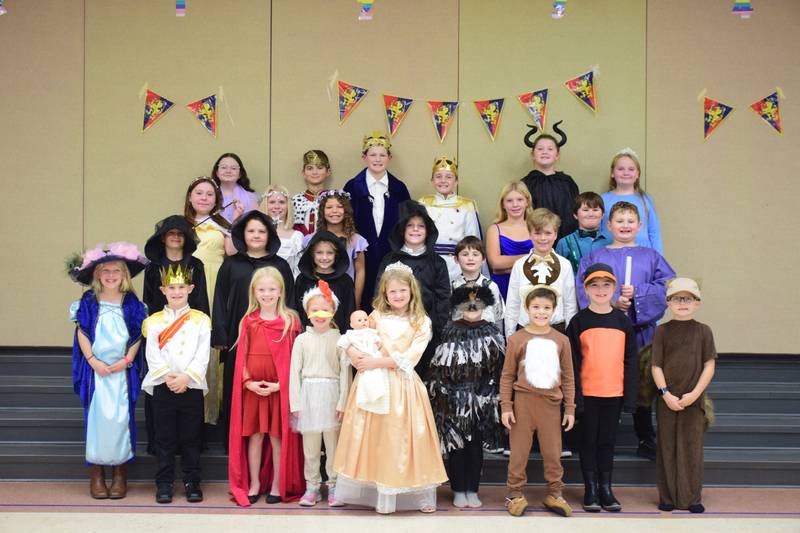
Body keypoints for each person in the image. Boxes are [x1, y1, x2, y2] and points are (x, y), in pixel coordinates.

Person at [333, 263, 448, 514]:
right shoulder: (375, 316)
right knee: (373, 438)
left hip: (403, 386)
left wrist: (375, 362)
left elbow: (410, 358)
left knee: (402, 438)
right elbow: (354, 337)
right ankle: (368, 490)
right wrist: (354, 354)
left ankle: (413, 493)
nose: (397, 296)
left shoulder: (421, 321)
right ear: (384, 294)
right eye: (392, 291)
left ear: (411, 291)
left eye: (402, 290)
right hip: (373, 383)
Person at [577, 202, 675, 460]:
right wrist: (612, 302)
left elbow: (668, 286)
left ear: (639, 226)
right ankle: (594, 436)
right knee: (601, 378)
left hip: (641, 331)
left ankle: (645, 437)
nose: (625, 226)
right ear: (608, 225)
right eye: (619, 221)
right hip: (605, 332)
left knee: (642, 381)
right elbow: (582, 286)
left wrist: (639, 294)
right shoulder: (597, 257)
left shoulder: (651, 256)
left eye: (630, 221)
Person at [68, 242, 148, 499]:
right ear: (97, 275)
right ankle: (97, 474)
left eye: (116, 270)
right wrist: (93, 361)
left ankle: (120, 474)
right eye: (106, 271)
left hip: (121, 371)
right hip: (96, 372)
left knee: (120, 421)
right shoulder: (89, 302)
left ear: (124, 274)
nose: (111, 275)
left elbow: (137, 336)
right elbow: (82, 331)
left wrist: (126, 361)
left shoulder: (132, 303)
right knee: (97, 422)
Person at [212, 210, 295, 448]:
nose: (256, 235)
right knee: (238, 387)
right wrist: (220, 334)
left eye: (261, 231)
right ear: (242, 234)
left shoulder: (280, 265)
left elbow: (290, 302)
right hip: (238, 338)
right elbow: (219, 298)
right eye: (251, 231)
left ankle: (272, 446)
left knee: (271, 392)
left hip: (273, 339)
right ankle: (236, 443)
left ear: (269, 235)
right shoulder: (231, 264)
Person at [228, 267, 305, 506]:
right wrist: (248, 382)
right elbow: (241, 358)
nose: (267, 294)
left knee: (277, 437)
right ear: (254, 292)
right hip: (254, 390)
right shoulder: (249, 321)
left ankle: (276, 485)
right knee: (255, 437)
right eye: (261, 289)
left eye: (272, 289)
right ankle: (253, 484)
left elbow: (295, 361)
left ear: (281, 291)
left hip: (279, 391)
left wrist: (281, 386)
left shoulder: (290, 321)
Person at [567, 263, 638, 513]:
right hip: (588, 394)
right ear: (585, 289)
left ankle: (606, 488)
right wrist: (575, 399)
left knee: (607, 441)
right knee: (588, 441)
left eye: (606, 285)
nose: (600, 290)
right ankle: (591, 489)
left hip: (613, 393)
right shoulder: (578, 322)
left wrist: (630, 397)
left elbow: (631, 362)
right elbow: (572, 364)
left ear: (615, 288)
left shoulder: (622, 322)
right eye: (594, 285)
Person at [428, 285, 505, 509]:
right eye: (467, 304)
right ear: (458, 307)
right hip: (453, 400)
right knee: (456, 448)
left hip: (482, 400)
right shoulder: (450, 330)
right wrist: (444, 395)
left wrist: (491, 396)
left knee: (475, 448)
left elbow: (498, 368)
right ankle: (458, 489)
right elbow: (439, 367)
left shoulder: (492, 332)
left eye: (477, 304)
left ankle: (473, 489)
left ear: (485, 306)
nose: (472, 308)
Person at [501, 285, 575, 518]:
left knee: (553, 453)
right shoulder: (516, 339)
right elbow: (507, 375)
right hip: (523, 404)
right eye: (536, 307)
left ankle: (554, 492)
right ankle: (514, 493)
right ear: (526, 308)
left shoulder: (562, 340)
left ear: (554, 310)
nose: (541, 312)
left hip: (551, 406)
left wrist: (570, 408)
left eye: (546, 308)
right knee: (518, 453)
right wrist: (506, 406)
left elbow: (568, 376)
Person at [141, 264, 210, 504]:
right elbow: (152, 354)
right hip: (163, 386)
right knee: (165, 438)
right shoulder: (154, 321)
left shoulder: (201, 320)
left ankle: (192, 481)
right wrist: (168, 378)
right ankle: (164, 482)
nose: (177, 292)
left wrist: (187, 377)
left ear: (191, 289)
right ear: (162, 290)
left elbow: (203, 355)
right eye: (172, 287)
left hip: (191, 386)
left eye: (182, 287)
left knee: (191, 437)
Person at [142, 215, 209, 454]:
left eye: (180, 233)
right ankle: (160, 446)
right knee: (162, 398)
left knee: (190, 397)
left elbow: (201, 302)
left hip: (191, 333)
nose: (176, 237)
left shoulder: (196, 265)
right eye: (171, 233)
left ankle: (191, 447)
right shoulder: (153, 269)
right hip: (161, 335)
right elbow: (148, 303)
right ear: (163, 238)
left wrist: (204, 330)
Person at [652, 278, 716, 514]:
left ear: (697, 303)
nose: (682, 303)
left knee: (692, 448)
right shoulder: (662, 331)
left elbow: (709, 364)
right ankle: (667, 496)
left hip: (693, 400)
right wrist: (665, 393)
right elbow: (656, 365)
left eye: (687, 299)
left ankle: (692, 497)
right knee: (667, 447)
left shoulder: (703, 331)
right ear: (668, 303)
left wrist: (695, 394)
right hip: (667, 400)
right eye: (677, 299)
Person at [289, 282, 351, 507]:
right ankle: (312, 486)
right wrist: (295, 403)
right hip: (309, 397)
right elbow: (293, 373)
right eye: (314, 310)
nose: (320, 315)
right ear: (307, 313)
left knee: (333, 446)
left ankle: (334, 485)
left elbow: (345, 374)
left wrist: (343, 403)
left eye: (325, 309)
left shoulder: (341, 340)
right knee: (311, 447)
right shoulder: (301, 340)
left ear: (333, 311)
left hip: (332, 396)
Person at [375, 200, 450, 374]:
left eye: (421, 226)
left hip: (424, 332)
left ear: (428, 231)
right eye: (410, 225)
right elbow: (379, 294)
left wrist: (436, 330)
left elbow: (443, 298)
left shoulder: (437, 262)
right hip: (393, 332)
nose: (415, 229)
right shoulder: (390, 259)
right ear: (402, 230)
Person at [184, 176, 234, 426]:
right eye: (199, 193)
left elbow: (233, 253)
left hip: (216, 283)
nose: (204, 198)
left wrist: (233, 227)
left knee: (214, 342)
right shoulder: (180, 224)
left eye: (209, 194)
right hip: (188, 285)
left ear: (217, 199)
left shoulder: (222, 223)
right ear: (190, 197)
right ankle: (191, 407)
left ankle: (214, 409)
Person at [343, 132, 411, 312]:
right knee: (363, 297)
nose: (378, 159)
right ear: (364, 157)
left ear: (389, 158)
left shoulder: (399, 188)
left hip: (392, 253)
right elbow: (345, 220)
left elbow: (407, 223)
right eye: (373, 154)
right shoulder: (352, 187)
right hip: (361, 256)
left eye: (382, 155)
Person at [505, 208, 577, 338]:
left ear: (555, 235)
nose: (543, 238)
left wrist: (569, 337)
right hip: (525, 331)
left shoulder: (565, 265)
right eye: (537, 233)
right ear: (530, 234)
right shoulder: (519, 265)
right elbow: (512, 304)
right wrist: (510, 337)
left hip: (556, 330)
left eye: (548, 233)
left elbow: (570, 304)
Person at [418, 156, 482, 282]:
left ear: (456, 181)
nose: (443, 180)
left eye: (448, 177)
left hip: (457, 264)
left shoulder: (466, 205)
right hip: (429, 262)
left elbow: (473, 240)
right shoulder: (423, 203)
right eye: (438, 176)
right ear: (432, 180)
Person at [305, 190, 368, 308]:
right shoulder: (311, 239)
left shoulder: (355, 240)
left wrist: (356, 301)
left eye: (339, 206)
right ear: (322, 211)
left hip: (345, 295)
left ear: (346, 211)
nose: (334, 211)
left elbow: (360, 272)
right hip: (317, 297)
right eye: (329, 207)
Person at [520, 122, 579, 240]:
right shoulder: (525, 184)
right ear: (532, 155)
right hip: (536, 239)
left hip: (566, 239)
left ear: (557, 155)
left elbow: (576, 211)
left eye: (550, 149)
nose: (545, 152)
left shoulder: (567, 182)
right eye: (540, 149)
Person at [600, 148, 663, 253]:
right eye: (620, 169)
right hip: (612, 255)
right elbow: (598, 232)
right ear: (612, 173)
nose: (626, 172)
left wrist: (658, 260)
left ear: (638, 174)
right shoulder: (603, 199)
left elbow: (654, 232)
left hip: (642, 255)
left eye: (631, 169)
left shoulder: (645, 199)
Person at [293, 231, 356, 333]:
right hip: (309, 336)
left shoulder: (345, 281)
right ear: (312, 254)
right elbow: (297, 310)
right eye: (319, 252)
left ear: (336, 255)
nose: (324, 257)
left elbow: (349, 311)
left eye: (330, 253)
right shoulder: (303, 280)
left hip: (337, 337)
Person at [486, 181, 534, 300]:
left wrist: (505, 268)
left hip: (531, 286)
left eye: (519, 199)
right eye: (509, 200)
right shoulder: (494, 229)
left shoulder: (536, 228)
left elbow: (542, 261)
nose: (515, 204)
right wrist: (530, 257)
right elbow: (495, 263)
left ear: (527, 202)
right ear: (503, 204)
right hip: (502, 286)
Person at [337, 310, 388, 414]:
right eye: (359, 320)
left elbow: (377, 340)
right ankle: (368, 395)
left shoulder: (371, 332)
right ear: (351, 324)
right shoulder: (351, 334)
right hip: (361, 358)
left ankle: (377, 393)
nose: (364, 322)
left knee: (376, 375)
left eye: (365, 319)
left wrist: (378, 343)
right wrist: (350, 350)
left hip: (373, 357)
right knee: (365, 378)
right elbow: (341, 343)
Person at [451, 236, 504, 332]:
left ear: (483, 259)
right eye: (465, 254)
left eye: (475, 254)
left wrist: (500, 340)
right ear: (456, 259)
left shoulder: (491, 286)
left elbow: (499, 317)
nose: (470, 258)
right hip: (459, 339)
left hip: (487, 337)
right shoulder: (452, 286)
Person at [555, 192, 611, 273]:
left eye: (595, 210)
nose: (591, 214)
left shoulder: (611, 241)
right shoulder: (564, 243)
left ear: (602, 215)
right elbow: (559, 274)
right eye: (585, 210)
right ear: (575, 214)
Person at [260, 184, 304, 278]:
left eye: (281, 202)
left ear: (288, 206)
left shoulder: (296, 236)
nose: (277, 206)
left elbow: (298, 271)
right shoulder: (257, 233)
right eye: (272, 202)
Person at [211, 153, 260, 224]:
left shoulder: (251, 197)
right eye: (224, 167)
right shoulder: (209, 195)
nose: (228, 171)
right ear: (217, 172)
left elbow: (256, 224)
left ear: (240, 174)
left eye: (233, 168)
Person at [291, 150, 331, 236]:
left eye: (320, 168)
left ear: (328, 172)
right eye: (310, 168)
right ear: (303, 173)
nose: (314, 172)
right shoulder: (295, 201)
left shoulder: (334, 199)